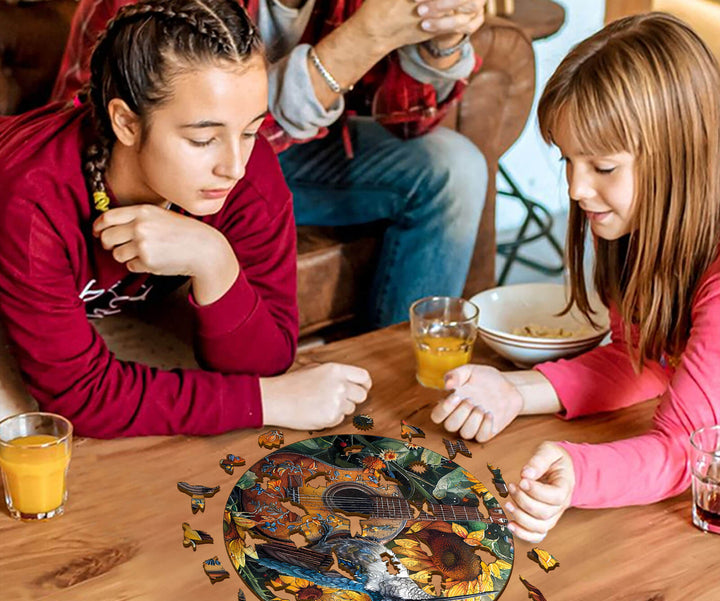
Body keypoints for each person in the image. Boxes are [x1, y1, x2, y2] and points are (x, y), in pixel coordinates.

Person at [0, 0, 371, 438]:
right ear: (126, 123)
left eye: (250, 131)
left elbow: (268, 358)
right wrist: (271, 400)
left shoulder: (247, 170)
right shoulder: (33, 199)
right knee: (22, 434)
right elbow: (82, 398)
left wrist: (214, 260)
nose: (234, 165)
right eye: (203, 139)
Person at [431, 12, 720, 542]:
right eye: (568, 160)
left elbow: (689, 448)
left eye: (603, 167)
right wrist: (515, 391)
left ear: (682, 157)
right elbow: (643, 358)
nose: (574, 189)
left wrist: (578, 472)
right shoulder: (642, 231)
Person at [51, 0, 489, 328]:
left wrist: (440, 41)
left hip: (287, 148)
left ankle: (402, 373)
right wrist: (362, 39)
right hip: (152, 164)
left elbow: (411, 123)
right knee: (226, 149)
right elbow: (109, 136)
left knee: (454, 167)